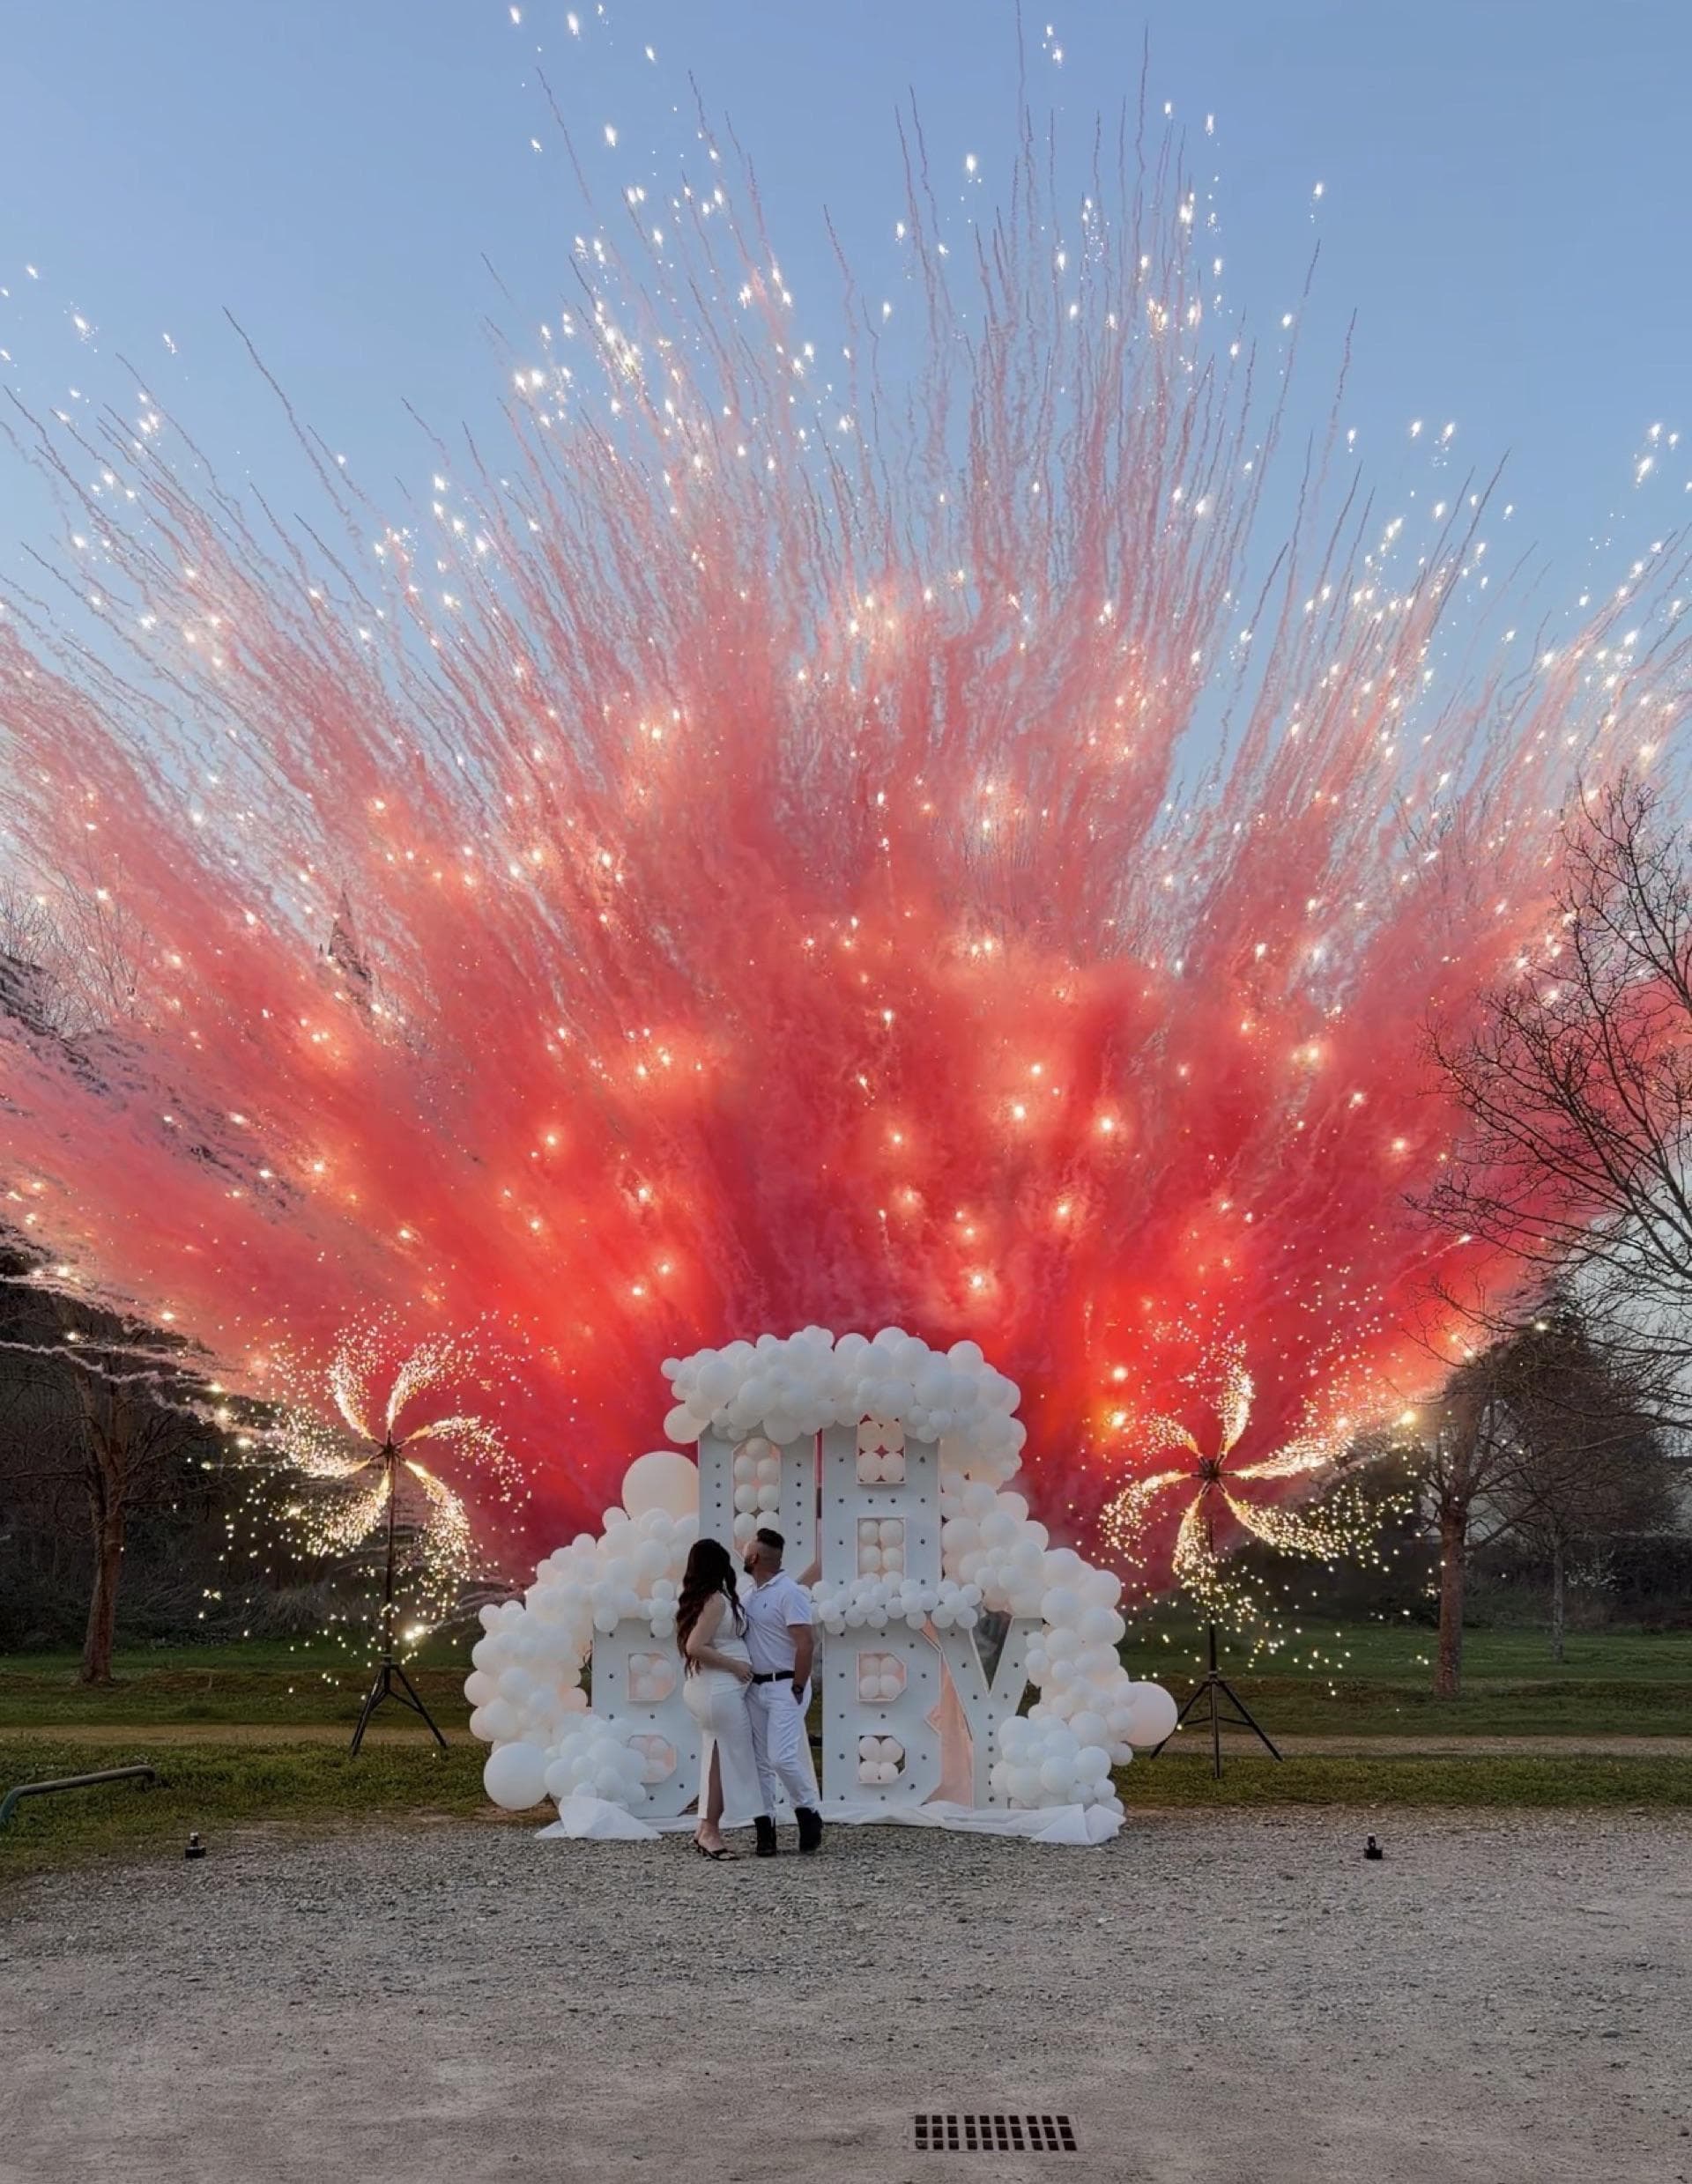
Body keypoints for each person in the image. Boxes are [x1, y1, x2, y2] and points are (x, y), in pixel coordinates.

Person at [675, 1538, 768, 1861]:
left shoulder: (711, 1597)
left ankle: (705, 1828)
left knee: (716, 1757)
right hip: (718, 1690)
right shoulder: (715, 1601)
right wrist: (736, 1666)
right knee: (729, 1760)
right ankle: (711, 1831)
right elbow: (695, 1646)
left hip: (714, 1690)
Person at [741, 1525, 824, 1855]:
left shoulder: (789, 1592)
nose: (744, 1554)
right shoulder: (749, 1595)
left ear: (755, 1557)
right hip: (755, 1688)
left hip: (785, 1685)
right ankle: (766, 1830)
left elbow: (806, 1642)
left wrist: (798, 1686)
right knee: (759, 1762)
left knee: (781, 1756)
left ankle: (808, 1811)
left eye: (747, 1550)